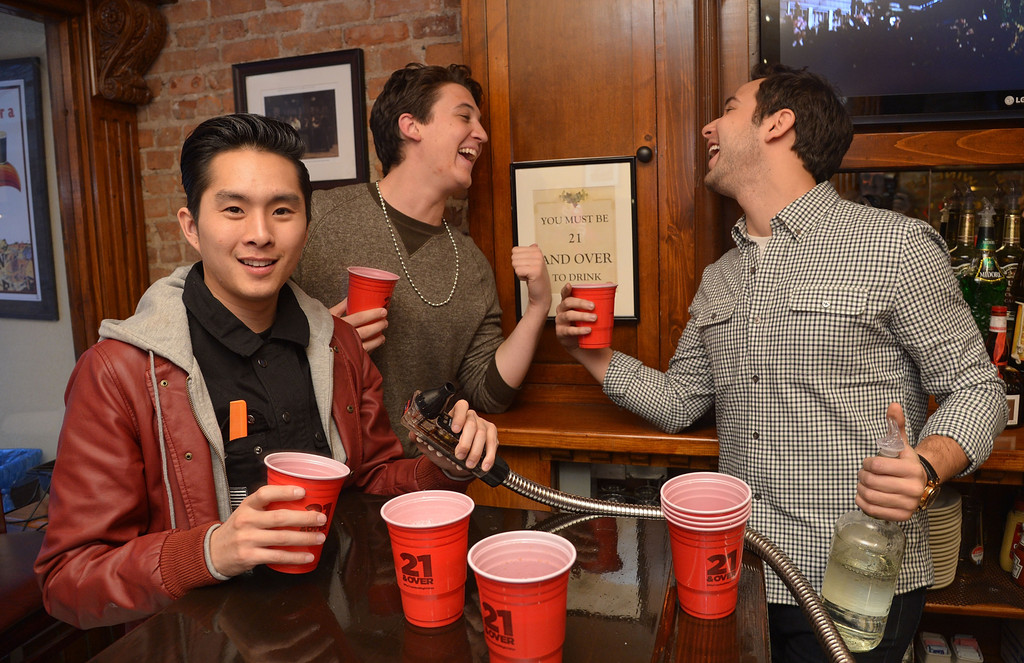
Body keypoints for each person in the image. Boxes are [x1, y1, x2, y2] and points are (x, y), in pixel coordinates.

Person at [555, 64, 1004, 663]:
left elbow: (977, 387)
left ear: (778, 123)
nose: (709, 127)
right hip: (739, 575)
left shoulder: (894, 245)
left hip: (851, 583)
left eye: (728, 109)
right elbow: (680, 402)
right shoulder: (721, 277)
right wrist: (590, 352)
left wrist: (926, 465)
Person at [34, 113, 499, 629]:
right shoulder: (119, 372)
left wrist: (445, 467)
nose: (260, 234)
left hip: (333, 627)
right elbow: (68, 579)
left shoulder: (339, 345)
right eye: (233, 209)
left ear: (305, 225)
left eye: (282, 210)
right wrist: (211, 551)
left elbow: (369, 482)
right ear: (191, 226)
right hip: (203, 641)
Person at [293, 63, 551, 454]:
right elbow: (246, 327)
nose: (482, 134)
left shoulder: (471, 265)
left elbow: (488, 392)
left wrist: (538, 307)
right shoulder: (316, 218)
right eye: (464, 116)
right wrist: (323, 341)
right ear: (411, 126)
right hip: (310, 463)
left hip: (409, 475)